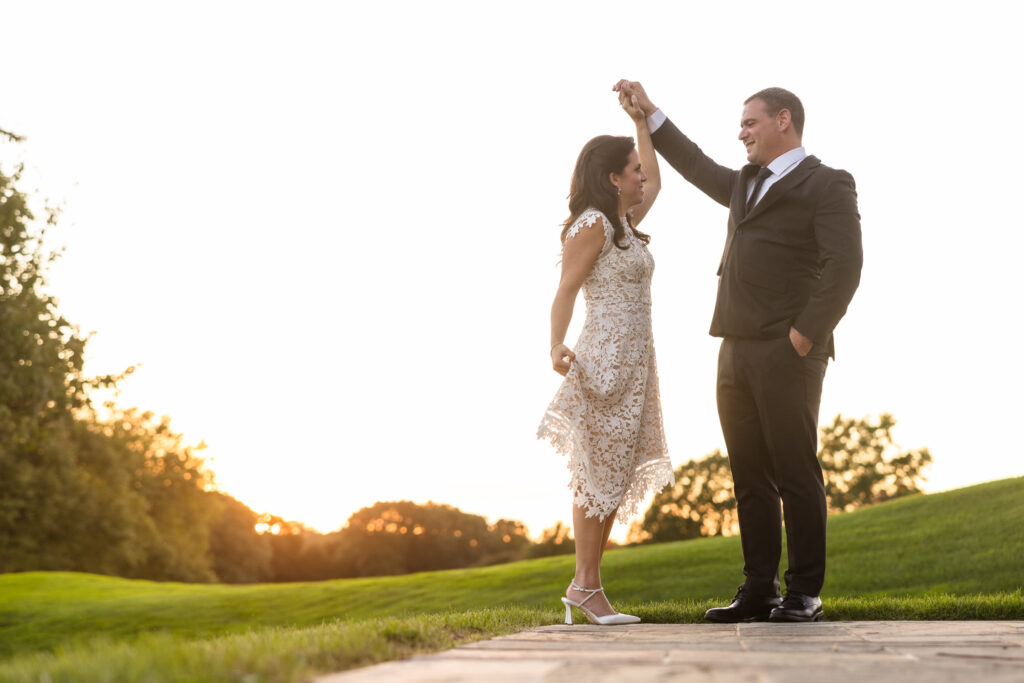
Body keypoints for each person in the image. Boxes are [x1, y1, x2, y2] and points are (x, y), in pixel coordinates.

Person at [612, 80, 862, 623]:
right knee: (748, 474)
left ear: (784, 120)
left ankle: (804, 593)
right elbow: (695, 162)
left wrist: (804, 334)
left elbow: (846, 267)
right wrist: (650, 114)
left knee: (795, 470)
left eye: (750, 122)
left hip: (789, 349)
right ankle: (759, 590)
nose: (741, 132)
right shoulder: (746, 181)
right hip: (734, 345)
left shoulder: (828, 183)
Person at [537, 92, 674, 626]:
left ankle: (586, 588)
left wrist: (641, 124)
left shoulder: (623, 219)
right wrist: (555, 345)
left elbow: (657, 183)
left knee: (615, 474)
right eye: (634, 170)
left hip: (638, 364)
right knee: (596, 472)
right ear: (615, 177)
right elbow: (566, 289)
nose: (642, 176)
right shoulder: (592, 223)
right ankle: (584, 586)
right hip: (603, 359)